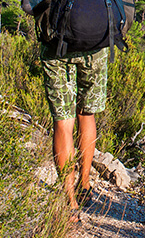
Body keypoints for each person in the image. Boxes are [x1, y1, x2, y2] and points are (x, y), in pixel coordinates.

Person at [42, 47, 109, 219]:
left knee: (63, 122)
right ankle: (84, 184)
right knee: (87, 114)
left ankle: (70, 202)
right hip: (95, 46)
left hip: (56, 46)